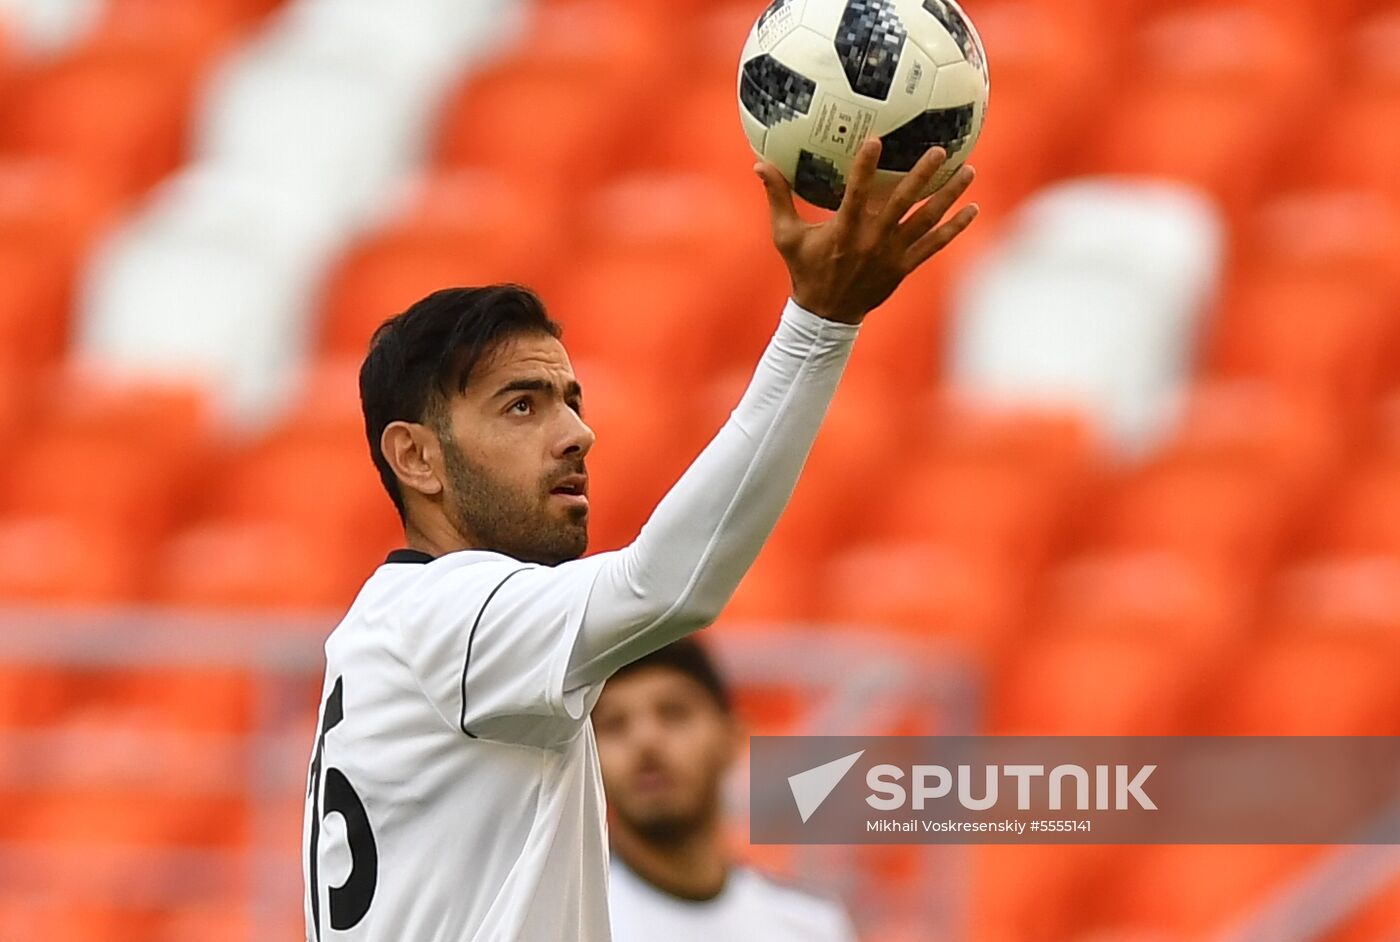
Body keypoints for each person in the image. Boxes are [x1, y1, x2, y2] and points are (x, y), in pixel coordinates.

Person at [301, 141, 978, 941]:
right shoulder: (447, 616)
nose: (579, 433)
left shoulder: (400, 627)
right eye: (523, 405)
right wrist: (818, 326)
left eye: (570, 400)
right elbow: (665, 587)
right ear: (416, 457)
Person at [596, 638, 860, 941]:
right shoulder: (569, 925)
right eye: (614, 724)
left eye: (673, 713)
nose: (646, 740)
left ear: (731, 738)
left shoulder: (812, 927)